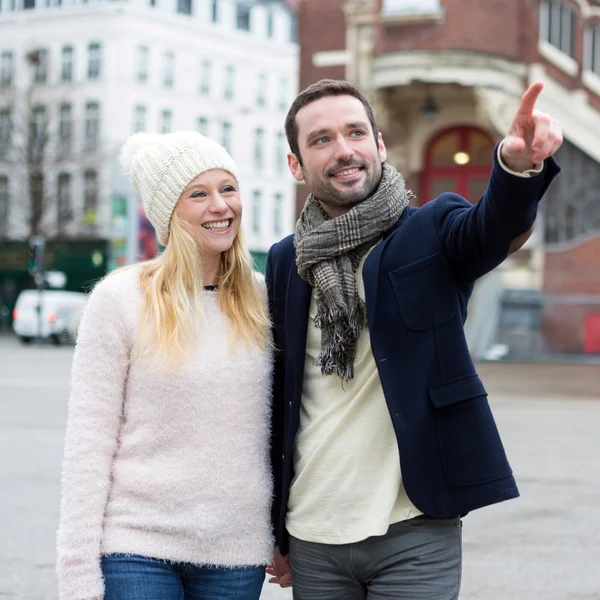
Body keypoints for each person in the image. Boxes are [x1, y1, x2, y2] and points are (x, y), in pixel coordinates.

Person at [265, 79, 562, 599]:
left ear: (380, 144)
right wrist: (274, 528)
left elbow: (493, 229)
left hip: (414, 527)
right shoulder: (285, 261)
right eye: (322, 139)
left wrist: (516, 167)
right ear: (296, 165)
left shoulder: (431, 229)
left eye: (356, 132)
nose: (344, 150)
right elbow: (279, 397)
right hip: (314, 531)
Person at [56, 131, 273, 600]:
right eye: (198, 194)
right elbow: (88, 440)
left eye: (228, 188)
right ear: (168, 213)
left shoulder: (265, 298)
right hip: (136, 546)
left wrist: (286, 536)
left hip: (237, 552)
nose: (220, 205)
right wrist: (77, 571)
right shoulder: (120, 299)